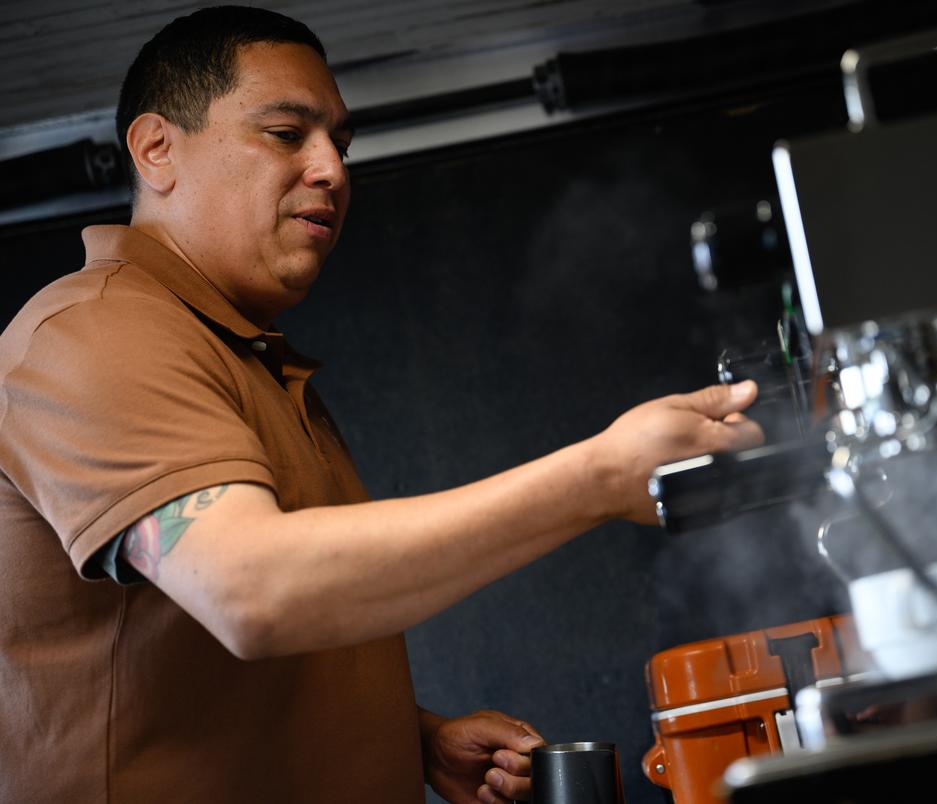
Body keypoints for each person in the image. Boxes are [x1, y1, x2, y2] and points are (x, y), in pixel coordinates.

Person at [0, 6, 762, 803]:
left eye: (341, 143)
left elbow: (214, 639)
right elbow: (248, 592)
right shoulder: (93, 332)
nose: (332, 168)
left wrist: (411, 734)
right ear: (157, 149)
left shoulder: (243, 355)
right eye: (287, 133)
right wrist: (600, 478)